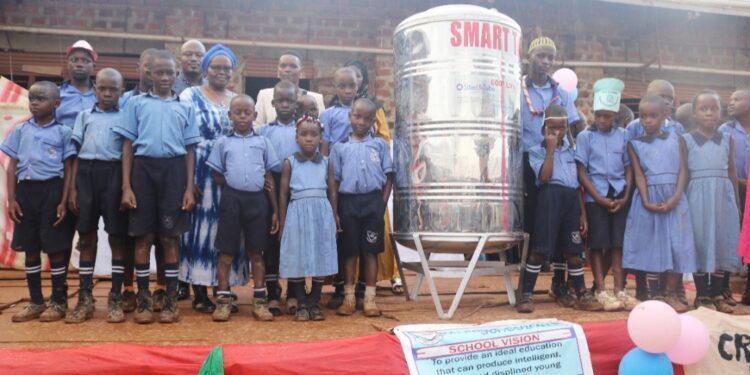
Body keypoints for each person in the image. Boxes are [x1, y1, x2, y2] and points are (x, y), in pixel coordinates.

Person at [116, 50, 200, 324]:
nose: (164, 77)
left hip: (174, 173)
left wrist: (189, 187)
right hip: (143, 171)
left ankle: (170, 302)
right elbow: (127, 146)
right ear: (149, 74)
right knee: (143, 238)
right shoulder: (136, 104)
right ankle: (143, 300)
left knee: (169, 239)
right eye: (158, 72)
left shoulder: (185, 107)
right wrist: (127, 187)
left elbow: (189, 151)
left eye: (169, 73)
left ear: (176, 76)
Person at [1, 81, 76, 322]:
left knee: (55, 249)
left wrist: (63, 201)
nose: (34, 102)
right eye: (32, 98)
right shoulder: (21, 131)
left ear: (56, 103)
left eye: (41, 98)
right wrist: (12, 198)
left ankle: (57, 301)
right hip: (26, 193)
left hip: (52, 192)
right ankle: (35, 301)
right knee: (30, 249)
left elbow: (68, 168)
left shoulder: (63, 132)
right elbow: (12, 166)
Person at [179, 44, 243, 314]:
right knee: (199, 231)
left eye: (226, 68)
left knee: (225, 230)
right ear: (205, 69)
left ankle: (223, 288)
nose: (221, 72)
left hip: (229, 176)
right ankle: (200, 291)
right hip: (200, 172)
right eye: (216, 67)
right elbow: (183, 139)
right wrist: (186, 180)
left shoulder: (237, 99)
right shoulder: (189, 95)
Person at [516, 104, 599, 314]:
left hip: (571, 201)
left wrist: (582, 213)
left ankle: (580, 291)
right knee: (539, 249)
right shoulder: (536, 151)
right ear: (544, 128)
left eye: (561, 128)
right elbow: (544, 177)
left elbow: (577, 184)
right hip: (549, 198)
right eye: (552, 128)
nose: (557, 132)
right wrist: (551, 150)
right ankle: (526, 293)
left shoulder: (573, 152)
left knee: (573, 250)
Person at [66, 68, 130, 324]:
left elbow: (127, 152)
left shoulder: (126, 117)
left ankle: (115, 296)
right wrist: (72, 188)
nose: (107, 93)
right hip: (87, 175)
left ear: (121, 91)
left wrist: (126, 186)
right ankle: (84, 298)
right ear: (94, 89)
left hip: (113, 174)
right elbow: (75, 153)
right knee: (87, 236)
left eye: (113, 89)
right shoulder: (83, 116)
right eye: (102, 88)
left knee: (116, 236)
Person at [207, 95, 280, 322]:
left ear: (255, 116)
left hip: (257, 202)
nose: (242, 116)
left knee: (256, 253)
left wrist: (275, 209)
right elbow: (216, 174)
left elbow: (269, 177)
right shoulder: (223, 143)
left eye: (247, 112)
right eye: (237, 112)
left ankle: (259, 301)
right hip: (231, 200)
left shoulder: (263, 142)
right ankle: (222, 301)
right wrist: (234, 182)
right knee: (226, 252)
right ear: (230, 116)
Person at [622, 95, 697, 313]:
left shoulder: (677, 138)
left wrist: (675, 197)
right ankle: (654, 293)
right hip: (648, 200)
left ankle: (671, 292)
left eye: (653, 116)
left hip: (675, 197)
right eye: (643, 116)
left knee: (678, 246)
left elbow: (684, 169)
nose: (647, 120)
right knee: (651, 247)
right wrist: (646, 200)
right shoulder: (634, 144)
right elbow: (639, 175)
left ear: (665, 116)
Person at [520, 37, 581, 302]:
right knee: (537, 225)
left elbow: (574, 126)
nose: (546, 62)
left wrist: (577, 155)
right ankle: (526, 290)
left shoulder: (562, 94)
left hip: (562, 166)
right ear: (528, 57)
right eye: (541, 56)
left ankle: (559, 283)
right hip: (530, 161)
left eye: (550, 58)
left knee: (565, 227)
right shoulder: (517, 90)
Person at [575, 78, 637, 311]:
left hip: (619, 194)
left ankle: (620, 289)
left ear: (616, 116)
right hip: (596, 196)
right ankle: (600, 289)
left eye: (608, 116)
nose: (602, 120)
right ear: (593, 113)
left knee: (618, 244)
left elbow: (628, 167)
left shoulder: (623, 135)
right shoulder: (585, 137)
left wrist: (626, 194)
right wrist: (598, 198)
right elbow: (581, 171)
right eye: (599, 115)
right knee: (598, 244)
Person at [330, 98, 395, 317]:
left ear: (374, 120)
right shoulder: (339, 148)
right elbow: (335, 182)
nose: (362, 121)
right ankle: (349, 298)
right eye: (358, 116)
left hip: (372, 203)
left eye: (368, 118)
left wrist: (381, 204)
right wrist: (335, 211)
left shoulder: (380, 145)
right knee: (349, 252)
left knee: (371, 252)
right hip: (347, 203)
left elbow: (389, 176)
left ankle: (369, 299)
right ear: (350, 116)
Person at [684, 90, 740, 314]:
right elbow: (684, 173)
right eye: (703, 109)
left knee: (721, 242)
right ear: (694, 114)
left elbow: (733, 173)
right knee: (699, 242)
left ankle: (717, 293)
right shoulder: (686, 140)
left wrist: (736, 203)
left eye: (714, 108)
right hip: (696, 196)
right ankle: (702, 294)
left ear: (721, 111)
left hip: (722, 197)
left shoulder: (728, 139)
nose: (709, 113)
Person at [279, 115, 339, 321]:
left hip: (321, 214)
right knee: (297, 257)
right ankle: (301, 302)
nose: (308, 139)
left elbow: (332, 191)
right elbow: (283, 194)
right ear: (296, 137)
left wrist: (334, 215)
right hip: (297, 214)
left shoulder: (326, 162)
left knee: (320, 256)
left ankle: (314, 301)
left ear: (321, 138)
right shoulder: (290, 162)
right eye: (303, 134)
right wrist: (283, 220)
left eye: (314, 135)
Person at [118, 48, 158, 312]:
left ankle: (163, 290)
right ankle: (129, 290)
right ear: (139, 67)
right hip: (128, 175)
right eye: (146, 66)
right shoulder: (125, 100)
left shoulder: (172, 101)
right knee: (130, 236)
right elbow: (126, 142)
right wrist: (125, 184)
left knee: (163, 237)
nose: (149, 71)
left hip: (161, 175)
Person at [258, 80, 300, 315]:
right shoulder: (264, 131)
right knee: (271, 241)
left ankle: (294, 292)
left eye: (289, 100)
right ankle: (272, 292)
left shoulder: (302, 129)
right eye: (280, 100)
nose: (285, 104)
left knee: (294, 241)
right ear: (273, 103)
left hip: (297, 187)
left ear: (296, 103)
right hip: (270, 189)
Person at [720, 89, 750, 306]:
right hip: (732, 188)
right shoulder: (724, 130)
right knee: (731, 234)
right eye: (730, 99)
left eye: (736, 99)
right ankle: (725, 287)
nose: (730, 103)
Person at [255, 51, 325, 125]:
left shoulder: (316, 98)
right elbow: (256, 126)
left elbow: (322, 128)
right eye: (283, 66)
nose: (287, 70)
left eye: (293, 66)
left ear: (301, 70)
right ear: (278, 70)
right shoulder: (265, 95)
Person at [57, 40, 97, 128]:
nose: (80, 64)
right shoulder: (55, 94)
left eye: (86, 61)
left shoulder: (102, 95)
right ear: (67, 64)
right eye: (74, 60)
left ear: (93, 66)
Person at [320, 67, 359, 154]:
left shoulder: (363, 113)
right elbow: (324, 144)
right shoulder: (328, 114)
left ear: (357, 86)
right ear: (335, 87)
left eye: (352, 86)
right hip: (336, 161)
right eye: (342, 86)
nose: (347, 91)